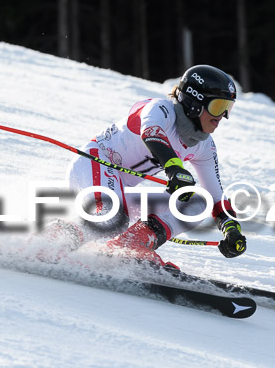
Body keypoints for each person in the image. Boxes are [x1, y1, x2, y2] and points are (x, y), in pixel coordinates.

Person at [42, 64, 247, 267]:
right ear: (195, 103)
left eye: (228, 109)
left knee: (196, 204)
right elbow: (151, 134)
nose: (222, 117)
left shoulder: (204, 146)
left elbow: (216, 196)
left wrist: (231, 228)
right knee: (113, 219)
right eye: (218, 107)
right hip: (93, 164)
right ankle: (45, 243)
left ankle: (132, 245)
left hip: (120, 188)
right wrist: (174, 168)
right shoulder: (161, 110)